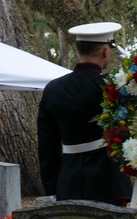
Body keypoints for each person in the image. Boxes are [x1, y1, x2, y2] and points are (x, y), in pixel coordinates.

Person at [37, 22, 132, 205]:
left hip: (68, 180)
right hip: (108, 181)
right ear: (105, 51)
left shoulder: (53, 89)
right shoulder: (110, 86)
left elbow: (47, 146)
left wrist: (52, 188)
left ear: (78, 49)